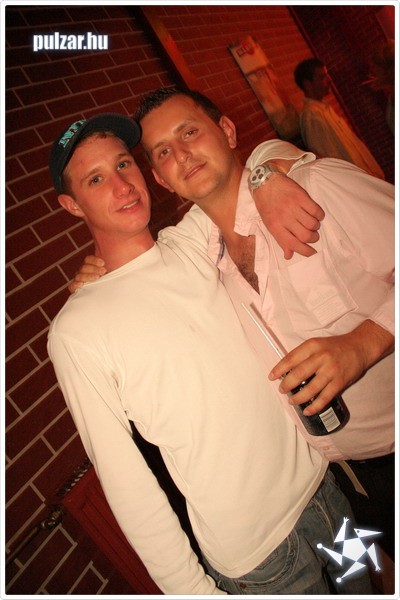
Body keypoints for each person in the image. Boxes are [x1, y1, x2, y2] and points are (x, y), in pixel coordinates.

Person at [47, 113, 373, 595]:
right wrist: (191, 590)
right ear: (72, 205)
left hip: (323, 491)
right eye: (96, 179)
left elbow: (245, 166)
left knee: (368, 585)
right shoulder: (76, 330)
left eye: (123, 164)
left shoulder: (190, 241)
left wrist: (265, 176)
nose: (122, 186)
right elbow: (124, 479)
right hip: (261, 559)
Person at [132, 87, 394, 562]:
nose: (182, 154)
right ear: (161, 180)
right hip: (333, 488)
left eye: (189, 132)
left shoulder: (316, 187)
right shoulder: (199, 269)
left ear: (228, 131)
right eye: (163, 151)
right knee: (367, 575)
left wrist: (363, 342)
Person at [293, 57, 385, 179]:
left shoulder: (324, 108)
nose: (329, 80)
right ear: (308, 84)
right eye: (322, 77)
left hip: (367, 176)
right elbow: (328, 161)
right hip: (356, 181)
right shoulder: (312, 117)